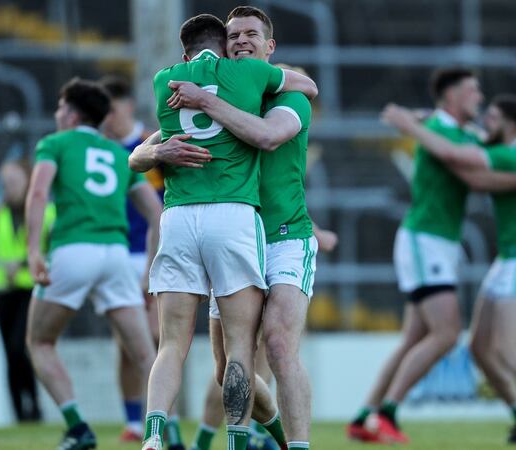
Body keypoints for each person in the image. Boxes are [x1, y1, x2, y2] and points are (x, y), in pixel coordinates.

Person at [129, 13, 318, 450]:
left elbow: (269, 136)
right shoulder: (233, 86)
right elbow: (138, 154)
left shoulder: (287, 100)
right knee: (226, 367)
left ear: (270, 47)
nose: (242, 41)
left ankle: (300, 446)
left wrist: (203, 99)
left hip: (285, 237)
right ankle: (275, 436)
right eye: (234, 36)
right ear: (224, 44)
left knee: (278, 344)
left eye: (253, 34)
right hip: (237, 232)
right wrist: (159, 149)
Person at [347, 68, 516, 445]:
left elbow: (504, 161)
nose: (479, 98)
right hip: (425, 240)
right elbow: (475, 174)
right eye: (472, 91)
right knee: (447, 333)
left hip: (439, 243)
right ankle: (388, 414)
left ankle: (365, 415)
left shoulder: (458, 132)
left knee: (414, 338)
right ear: (450, 97)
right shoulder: (442, 134)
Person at [24, 78, 162, 450]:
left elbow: (38, 193)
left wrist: (34, 249)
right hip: (116, 256)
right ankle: (163, 432)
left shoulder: (54, 144)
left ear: (70, 112)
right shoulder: (119, 155)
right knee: (146, 353)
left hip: (73, 251)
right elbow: (156, 213)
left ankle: (78, 427)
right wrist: (150, 270)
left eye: (59, 107)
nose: (57, 114)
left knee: (40, 341)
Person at [98, 75, 183, 447]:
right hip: (118, 253)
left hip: (154, 249)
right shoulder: (98, 151)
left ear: (128, 106)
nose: (108, 118)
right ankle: (134, 420)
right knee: (127, 344)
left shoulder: (151, 143)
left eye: (112, 109)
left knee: (153, 338)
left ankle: (165, 423)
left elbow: (166, 199)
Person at [0, 159, 53, 423]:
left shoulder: (45, 213)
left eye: (13, 182)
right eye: (4, 183)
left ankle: (34, 404)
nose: (8, 188)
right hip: (2, 290)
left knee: (21, 347)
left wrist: (19, 264)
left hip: (30, 288)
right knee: (8, 353)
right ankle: (20, 413)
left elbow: (49, 250)